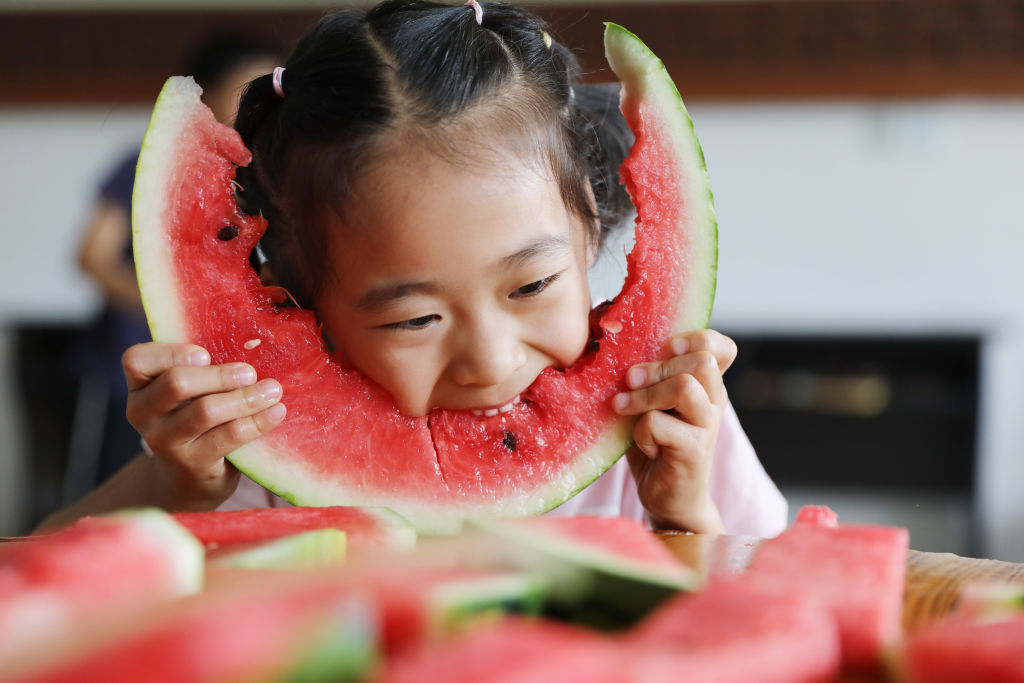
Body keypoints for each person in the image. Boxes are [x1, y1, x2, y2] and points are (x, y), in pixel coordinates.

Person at [38, 0, 787, 537]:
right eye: (413, 318)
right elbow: (43, 570)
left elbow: (774, 614)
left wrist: (684, 517)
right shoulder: (251, 449)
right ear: (298, 305)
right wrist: (173, 486)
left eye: (531, 285)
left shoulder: (678, 422)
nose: (489, 359)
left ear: (590, 225)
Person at [67, 35, 279, 494]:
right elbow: (91, 256)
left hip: (209, 364)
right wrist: (169, 304)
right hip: (128, 356)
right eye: (250, 89)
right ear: (204, 94)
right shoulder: (142, 164)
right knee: (119, 480)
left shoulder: (255, 174)